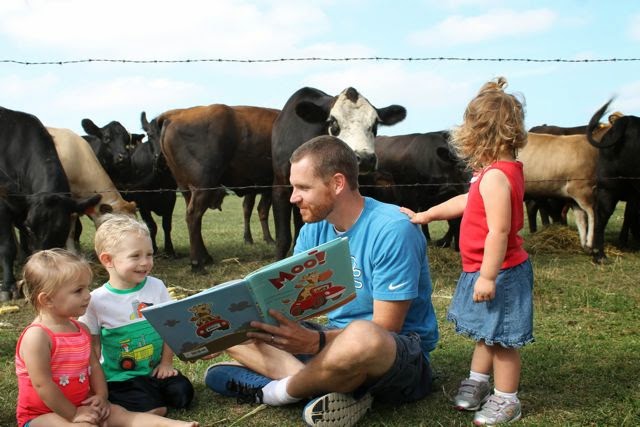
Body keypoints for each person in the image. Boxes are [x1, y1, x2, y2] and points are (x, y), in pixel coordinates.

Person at [204, 135, 439, 426]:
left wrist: (315, 343)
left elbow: (387, 327)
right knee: (233, 319)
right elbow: (292, 303)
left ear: (337, 183)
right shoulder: (313, 229)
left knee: (362, 335)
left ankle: (277, 391)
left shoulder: (393, 229)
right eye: (293, 187)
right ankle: (334, 388)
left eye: (303, 187)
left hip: (395, 352)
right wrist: (247, 325)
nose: (293, 197)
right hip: (330, 340)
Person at [400, 76, 534, 425]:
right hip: (485, 268)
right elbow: (467, 201)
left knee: (502, 340)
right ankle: (478, 381)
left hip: (500, 272)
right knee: (486, 332)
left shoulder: (496, 177)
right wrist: (427, 215)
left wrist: (488, 276)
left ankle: (507, 400)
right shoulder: (489, 173)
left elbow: (500, 231)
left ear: (480, 135)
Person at [15, 248, 199, 427]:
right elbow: (43, 385)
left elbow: (94, 366)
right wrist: (73, 414)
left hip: (82, 405)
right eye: (78, 290)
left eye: (87, 288)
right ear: (47, 300)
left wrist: (101, 396)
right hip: (42, 414)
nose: (88, 295)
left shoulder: (81, 329)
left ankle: (173, 424)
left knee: (123, 415)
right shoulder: (37, 337)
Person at [78, 215, 194, 416]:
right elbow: (92, 348)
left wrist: (166, 364)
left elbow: (169, 328)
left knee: (183, 394)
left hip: (155, 371)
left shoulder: (156, 286)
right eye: (135, 256)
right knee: (155, 408)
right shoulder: (95, 300)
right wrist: (95, 387)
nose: (145, 262)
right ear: (108, 260)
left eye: (149, 254)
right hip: (121, 378)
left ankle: (149, 396)